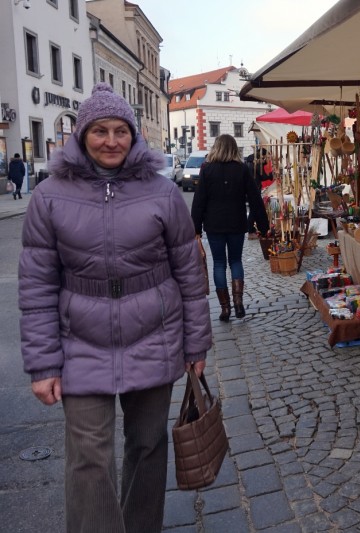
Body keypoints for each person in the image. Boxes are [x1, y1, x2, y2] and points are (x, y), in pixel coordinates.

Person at [17, 82, 212, 533]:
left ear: (133, 135)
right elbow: (37, 285)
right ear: (82, 135)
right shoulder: (50, 196)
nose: (111, 141)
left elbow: (189, 274)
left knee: (147, 446)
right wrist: (43, 364)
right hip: (80, 342)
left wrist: (195, 344)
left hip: (154, 335)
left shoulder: (162, 193)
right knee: (88, 458)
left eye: (120, 131)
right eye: (100, 131)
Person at [191, 134, 269, 320]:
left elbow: (199, 201)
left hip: (214, 225)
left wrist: (195, 228)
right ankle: (238, 303)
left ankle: (225, 308)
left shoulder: (207, 169)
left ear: (216, 148)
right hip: (236, 223)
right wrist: (263, 226)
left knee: (219, 263)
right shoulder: (241, 169)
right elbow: (255, 198)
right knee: (236, 261)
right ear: (234, 149)